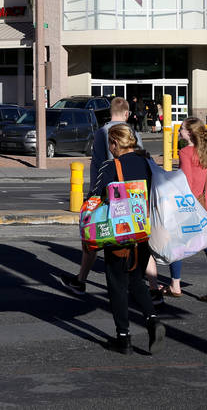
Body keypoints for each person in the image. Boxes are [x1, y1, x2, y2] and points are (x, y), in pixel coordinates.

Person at [60, 97, 158, 296]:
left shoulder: (103, 133)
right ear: (127, 113)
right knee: (140, 238)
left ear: (110, 111)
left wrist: (93, 197)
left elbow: (108, 164)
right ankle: (154, 289)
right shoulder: (133, 133)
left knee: (93, 237)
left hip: (109, 193)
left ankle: (82, 280)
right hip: (134, 194)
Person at [101, 124, 166, 355]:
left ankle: (123, 337)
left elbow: (97, 196)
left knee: (117, 284)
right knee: (137, 280)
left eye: (110, 143)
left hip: (120, 234)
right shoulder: (147, 162)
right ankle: (152, 321)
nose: (110, 148)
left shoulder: (111, 166)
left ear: (116, 143)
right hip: (143, 232)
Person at [166, 117, 207, 303]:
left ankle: (175, 285)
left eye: (182, 128)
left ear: (190, 133)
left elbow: (186, 185)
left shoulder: (185, 152)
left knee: (177, 244)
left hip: (191, 208)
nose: (179, 131)